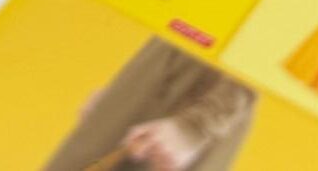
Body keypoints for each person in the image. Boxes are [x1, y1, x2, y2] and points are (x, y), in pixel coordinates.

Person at [41, 37, 256, 171]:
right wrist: (124, 91)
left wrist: (196, 127)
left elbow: (267, 35)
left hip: (199, 96)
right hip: (166, 63)